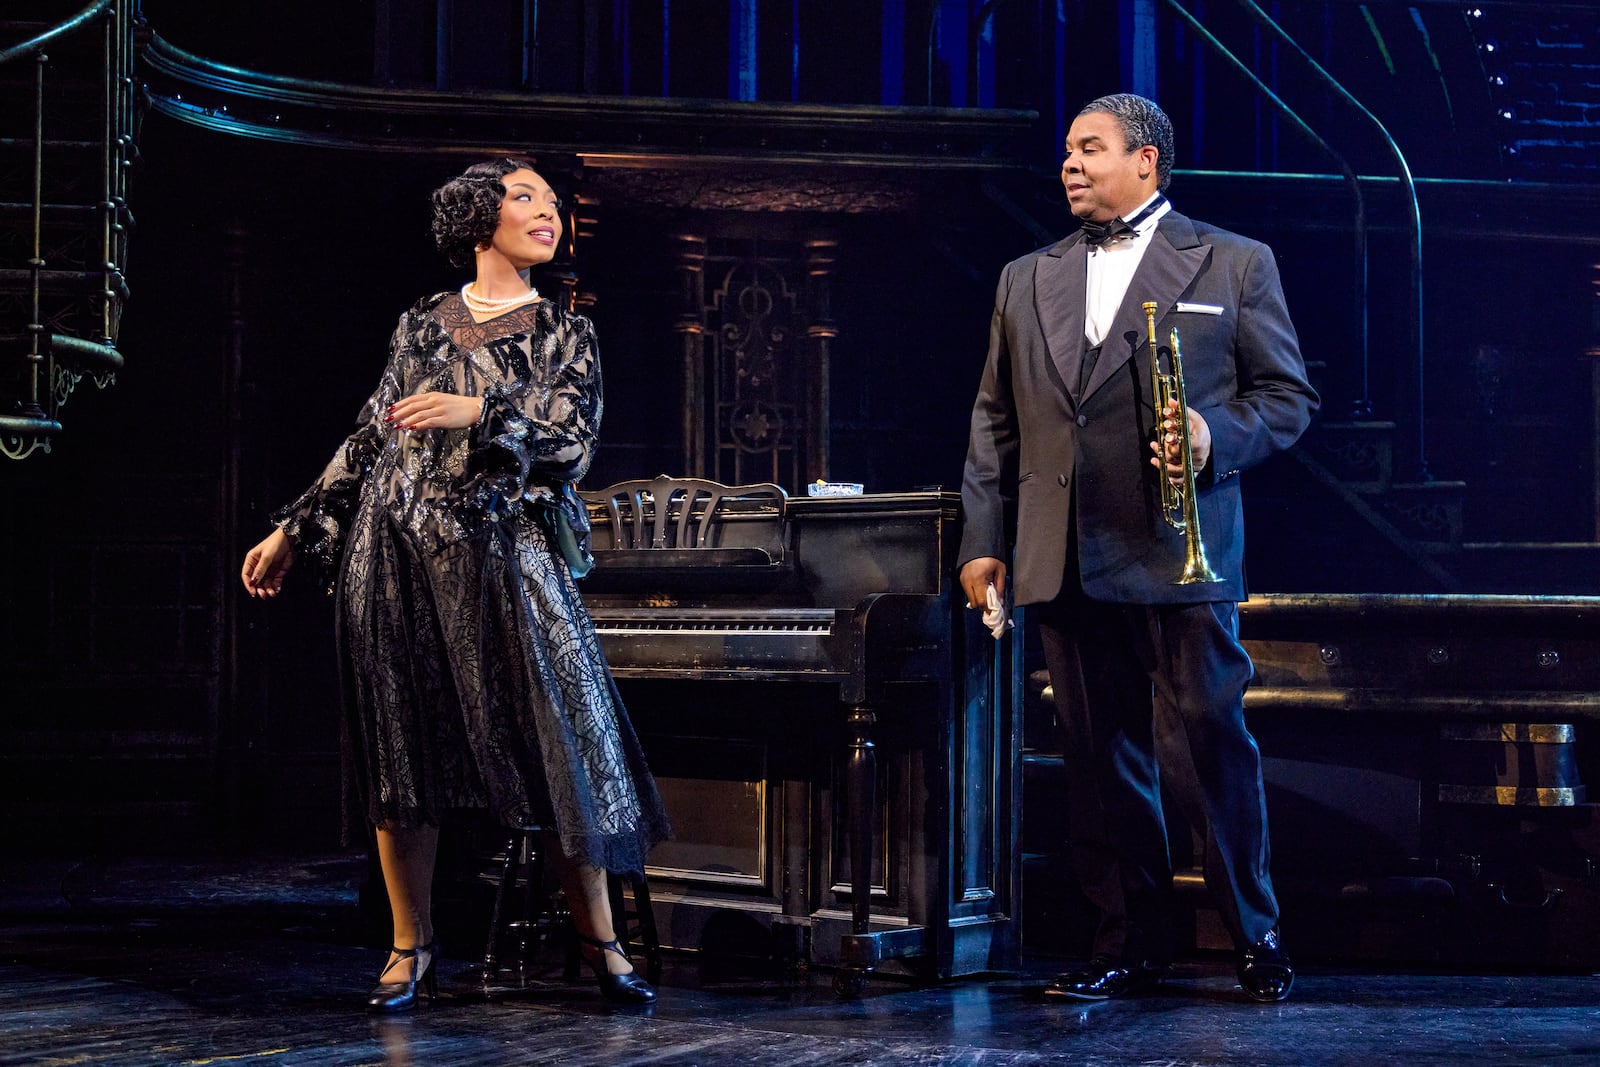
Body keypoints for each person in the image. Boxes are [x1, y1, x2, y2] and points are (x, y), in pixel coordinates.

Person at [241, 157, 670, 1011]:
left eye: (552, 201)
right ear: (480, 218)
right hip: (396, 546)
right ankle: (411, 944)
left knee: (564, 739)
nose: (548, 211)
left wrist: (480, 411)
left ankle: (600, 941)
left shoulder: (565, 332)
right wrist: (293, 525)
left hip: (509, 553)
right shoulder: (419, 326)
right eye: (526, 197)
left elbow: (572, 443)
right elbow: (370, 435)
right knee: (403, 747)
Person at [957, 94, 1317, 1003]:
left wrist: (1209, 436)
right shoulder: (1023, 275)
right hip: (1064, 552)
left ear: (1147, 160)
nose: (1070, 164)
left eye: (1091, 149)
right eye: (1068, 151)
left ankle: (1255, 932)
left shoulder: (1234, 262)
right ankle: (1131, 939)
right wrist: (984, 542)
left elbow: (1287, 398)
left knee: (1209, 742)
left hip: (1175, 546)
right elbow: (995, 423)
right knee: (1098, 755)